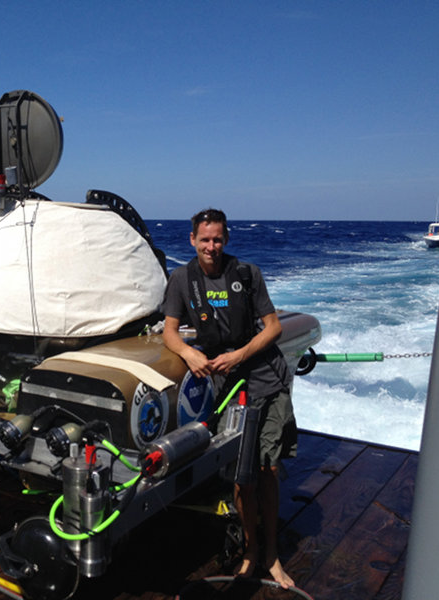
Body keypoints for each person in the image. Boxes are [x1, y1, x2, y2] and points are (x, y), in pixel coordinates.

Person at [161, 208, 296, 589]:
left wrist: (240, 355)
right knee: (242, 476)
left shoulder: (246, 273)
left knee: (268, 470)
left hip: (265, 379)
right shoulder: (181, 279)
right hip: (226, 392)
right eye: (204, 239)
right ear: (192, 240)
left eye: (217, 239)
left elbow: (273, 327)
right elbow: (170, 332)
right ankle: (252, 551)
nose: (211, 246)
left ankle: (272, 554)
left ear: (227, 238)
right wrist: (189, 354)